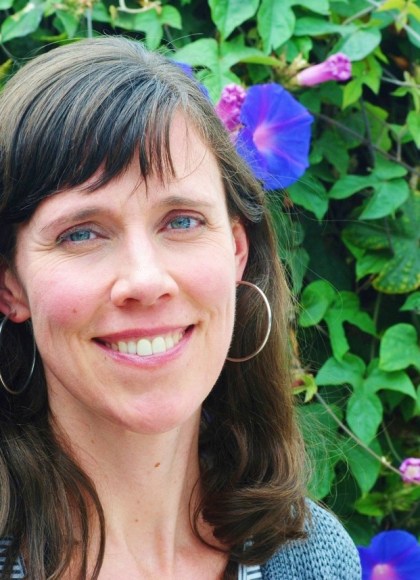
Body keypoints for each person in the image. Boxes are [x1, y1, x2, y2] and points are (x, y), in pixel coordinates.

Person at [0, 37, 361, 579]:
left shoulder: (313, 558)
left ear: (236, 250)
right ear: (10, 285)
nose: (146, 281)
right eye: (81, 233)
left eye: (182, 221)